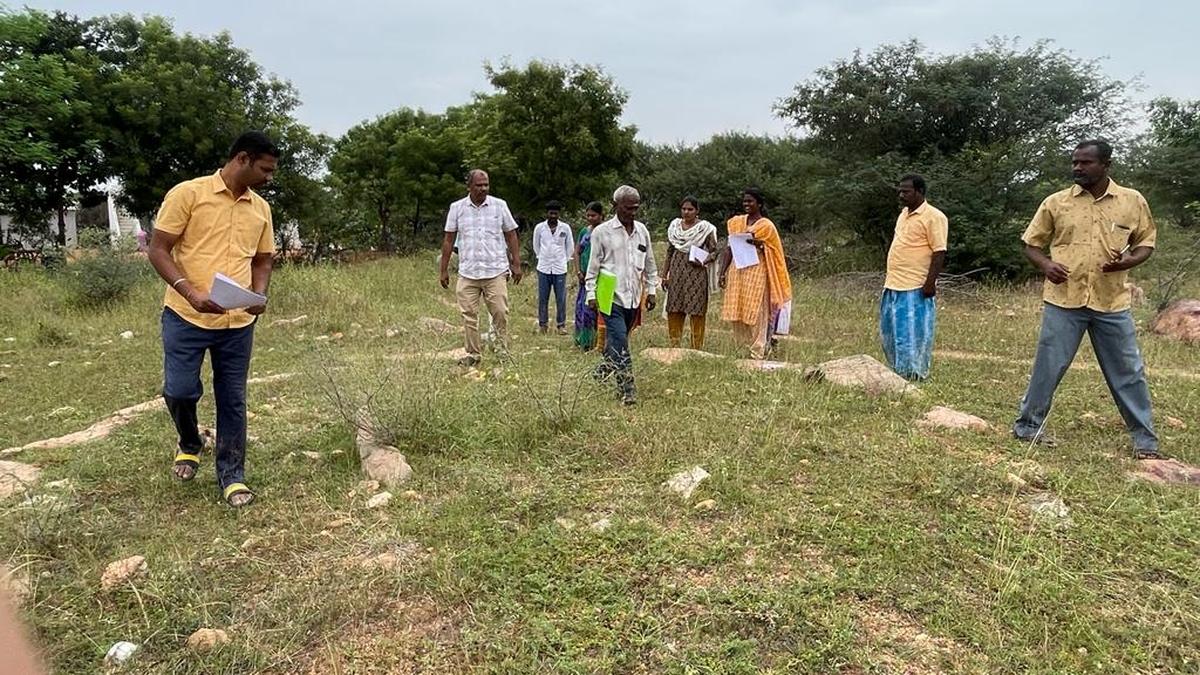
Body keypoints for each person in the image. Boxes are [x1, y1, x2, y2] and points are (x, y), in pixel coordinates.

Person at [147, 131, 278, 507]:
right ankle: (190, 442)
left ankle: (232, 476)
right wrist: (191, 292)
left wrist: (259, 293)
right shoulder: (188, 194)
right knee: (180, 390)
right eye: (265, 169)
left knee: (233, 398)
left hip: (237, 323)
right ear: (242, 159)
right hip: (185, 315)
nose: (269, 178)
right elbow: (159, 249)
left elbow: (263, 259)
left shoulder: (261, 209)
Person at [1013, 140, 1160, 458]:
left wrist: (1129, 262)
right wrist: (1046, 264)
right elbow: (1031, 243)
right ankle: (1027, 426)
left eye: (1086, 163)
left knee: (1128, 371)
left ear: (1106, 165)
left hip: (1111, 302)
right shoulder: (1056, 202)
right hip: (1064, 300)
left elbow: (1145, 242)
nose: (1077, 167)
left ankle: (1145, 441)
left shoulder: (1131, 201)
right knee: (1049, 366)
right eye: (1075, 162)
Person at [439, 170, 523, 367]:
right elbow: (449, 239)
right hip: (468, 272)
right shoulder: (457, 208)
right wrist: (443, 269)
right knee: (468, 315)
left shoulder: (499, 206)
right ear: (469, 186)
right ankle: (473, 354)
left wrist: (516, 263)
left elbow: (511, 234)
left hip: (495, 270)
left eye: (486, 185)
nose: (483, 188)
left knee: (500, 312)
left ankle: (502, 350)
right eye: (479, 185)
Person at [586, 185, 659, 405]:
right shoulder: (602, 232)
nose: (632, 212)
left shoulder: (642, 231)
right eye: (628, 208)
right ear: (615, 205)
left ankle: (600, 372)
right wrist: (591, 293)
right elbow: (593, 266)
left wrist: (652, 290)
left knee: (618, 341)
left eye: (636, 208)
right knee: (620, 340)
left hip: (633, 295)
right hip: (609, 292)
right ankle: (627, 388)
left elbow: (650, 264)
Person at [880, 174, 948, 380]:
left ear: (919, 192)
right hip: (893, 283)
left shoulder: (934, 217)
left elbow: (939, 252)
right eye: (900, 191)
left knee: (911, 334)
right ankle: (896, 372)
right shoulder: (903, 214)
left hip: (915, 286)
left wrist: (930, 283)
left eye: (906, 191)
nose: (901, 195)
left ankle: (913, 374)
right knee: (891, 333)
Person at [719, 188, 792, 359]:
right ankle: (741, 347)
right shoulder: (736, 223)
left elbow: (775, 251)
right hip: (737, 270)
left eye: (750, 201)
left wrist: (760, 245)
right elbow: (729, 248)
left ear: (759, 204)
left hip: (757, 271)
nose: (747, 204)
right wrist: (722, 273)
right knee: (737, 308)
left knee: (757, 309)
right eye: (745, 201)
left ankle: (758, 349)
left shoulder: (767, 226)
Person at [662, 196, 718, 349]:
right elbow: (669, 252)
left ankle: (696, 348)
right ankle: (674, 345)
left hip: (696, 273)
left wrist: (703, 260)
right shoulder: (675, 227)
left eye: (690, 209)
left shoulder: (704, 229)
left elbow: (714, 252)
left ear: (697, 211)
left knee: (697, 309)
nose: (686, 212)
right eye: (684, 209)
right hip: (676, 272)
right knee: (674, 307)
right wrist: (665, 275)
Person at [532, 200, 575, 335]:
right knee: (543, 297)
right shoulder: (540, 228)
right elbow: (536, 245)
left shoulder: (565, 228)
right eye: (551, 213)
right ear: (547, 213)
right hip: (544, 267)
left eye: (555, 213)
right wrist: (542, 256)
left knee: (560, 298)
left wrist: (564, 260)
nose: (553, 216)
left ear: (559, 214)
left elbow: (570, 247)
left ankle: (561, 325)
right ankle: (543, 325)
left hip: (559, 268)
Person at [573, 201, 605, 350]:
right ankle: (584, 341)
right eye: (588, 215)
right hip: (584, 277)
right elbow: (577, 252)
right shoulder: (584, 232)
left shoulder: (605, 232)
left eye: (594, 215)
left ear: (601, 216)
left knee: (597, 310)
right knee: (583, 309)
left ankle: (598, 341)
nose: (590, 218)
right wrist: (578, 271)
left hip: (601, 277)